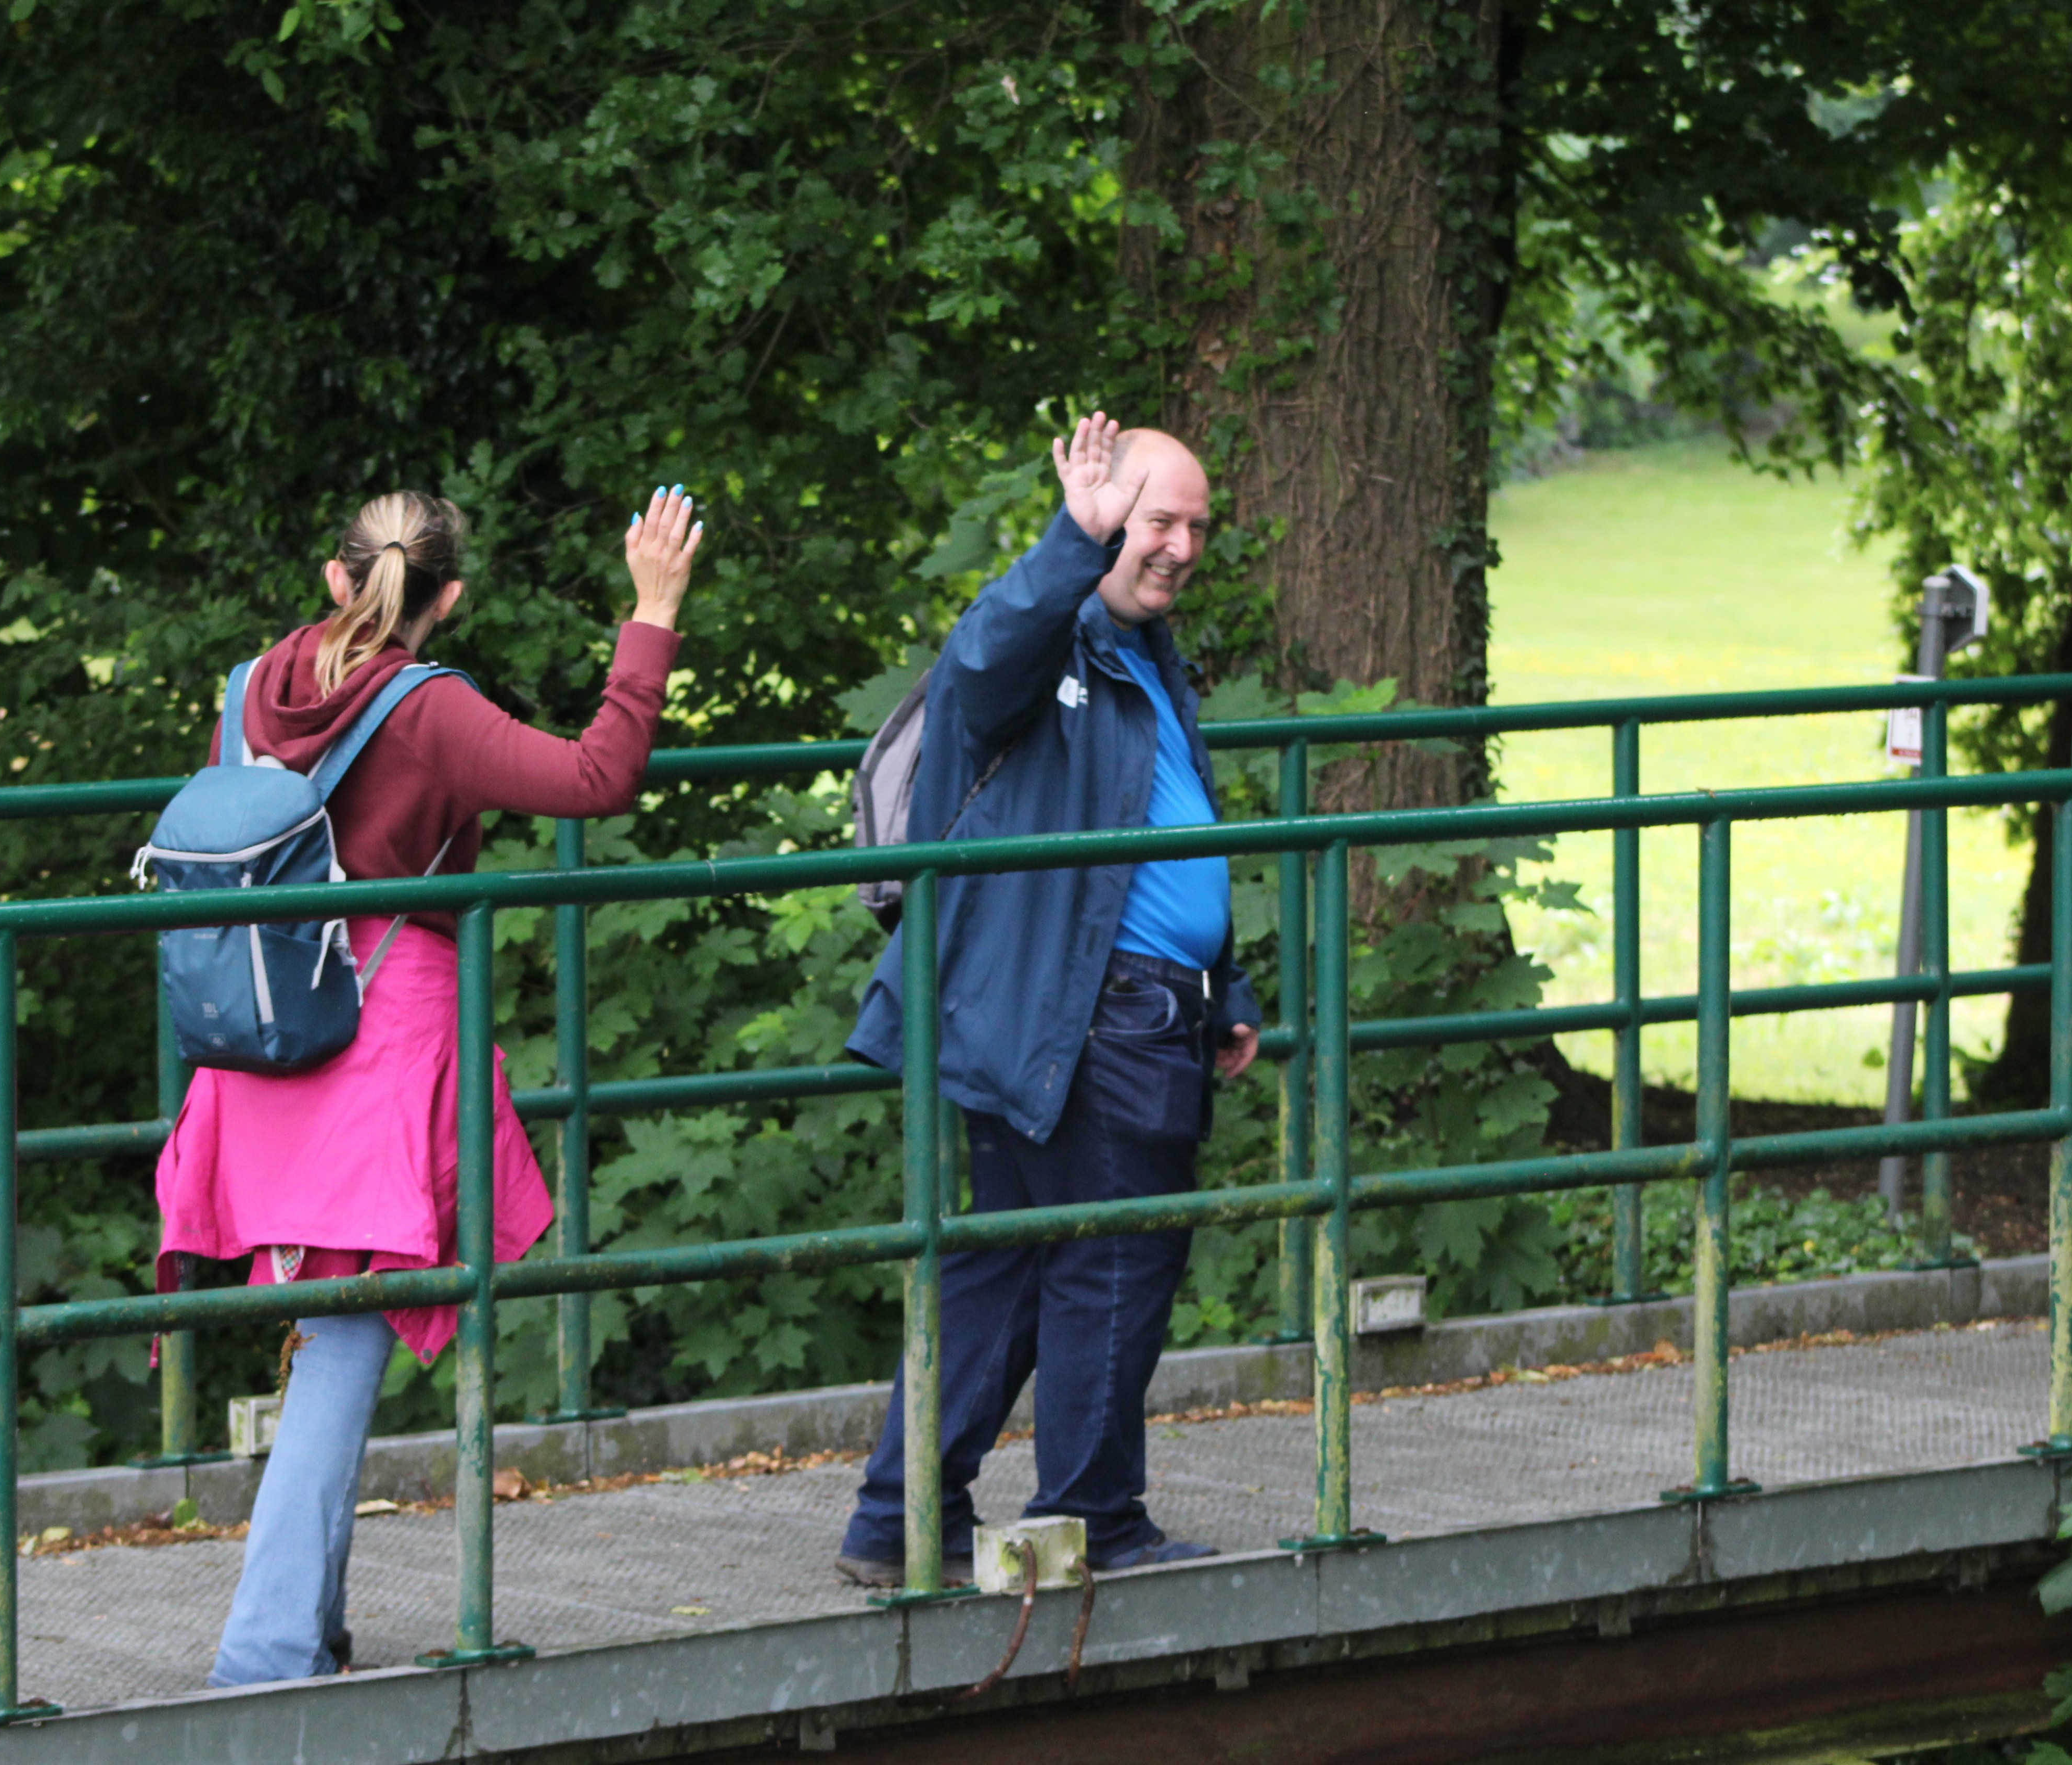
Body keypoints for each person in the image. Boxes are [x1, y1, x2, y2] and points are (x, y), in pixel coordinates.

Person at [157, 484, 703, 1684]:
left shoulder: (250, 688)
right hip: (380, 1041)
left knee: (318, 1320)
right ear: (447, 599)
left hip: (257, 1037)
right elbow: (597, 775)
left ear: (336, 576)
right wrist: (652, 613)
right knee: (346, 1335)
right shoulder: (429, 707)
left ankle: (313, 1625)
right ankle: (263, 1657)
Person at [835, 413, 1262, 1584]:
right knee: (1110, 1264)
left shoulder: (1147, 652)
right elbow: (981, 662)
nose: (1177, 545)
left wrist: (1224, 979)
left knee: (1009, 1268)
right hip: (1085, 1020)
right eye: (1156, 519)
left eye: (1196, 525)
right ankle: (1094, 1520)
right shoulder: (1052, 634)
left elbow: (1166, 828)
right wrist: (1068, 542)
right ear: (1102, 516)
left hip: (1120, 1008)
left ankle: (895, 1517)